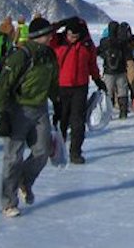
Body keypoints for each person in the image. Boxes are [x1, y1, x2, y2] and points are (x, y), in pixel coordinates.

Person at [0, 17, 59, 218]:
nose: (51, 37)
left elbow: (53, 81)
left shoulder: (49, 55)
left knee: (42, 151)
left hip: (40, 109)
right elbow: (2, 86)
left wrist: (58, 102)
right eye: (48, 34)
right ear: (39, 36)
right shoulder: (21, 55)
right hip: (18, 110)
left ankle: (25, 179)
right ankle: (8, 202)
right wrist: (3, 114)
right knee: (13, 158)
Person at [49, 17, 106, 164]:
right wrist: (60, 23)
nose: (71, 38)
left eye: (75, 36)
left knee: (78, 122)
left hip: (80, 87)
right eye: (69, 35)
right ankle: (56, 150)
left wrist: (97, 79)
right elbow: (48, 32)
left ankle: (75, 152)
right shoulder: (58, 41)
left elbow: (92, 64)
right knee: (61, 120)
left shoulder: (87, 45)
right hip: (60, 86)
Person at [97, 21, 130, 118]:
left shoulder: (104, 41)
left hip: (108, 71)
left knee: (108, 92)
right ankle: (123, 112)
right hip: (121, 70)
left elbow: (98, 52)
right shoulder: (122, 41)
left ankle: (108, 113)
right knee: (122, 90)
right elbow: (127, 54)